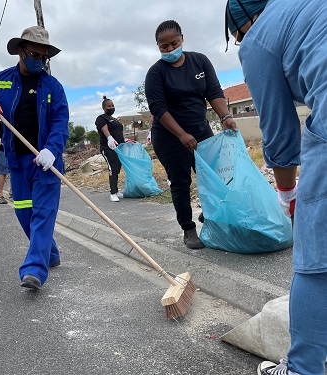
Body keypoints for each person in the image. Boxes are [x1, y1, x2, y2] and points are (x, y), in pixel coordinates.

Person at [225, 1, 327, 374]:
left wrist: (289, 197)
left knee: (317, 257)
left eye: (237, 39)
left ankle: (302, 368)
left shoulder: (258, 39)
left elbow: (281, 139)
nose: (241, 46)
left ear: (243, 25)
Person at [0, 25, 69, 290]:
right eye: (34, 55)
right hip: (17, 161)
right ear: (21, 52)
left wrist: (52, 149)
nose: (39, 61)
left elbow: (60, 122)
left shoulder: (53, 86)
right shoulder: (2, 80)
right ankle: (51, 253)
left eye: (43, 57)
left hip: (46, 161)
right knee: (25, 213)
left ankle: (34, 269)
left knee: (43, 214)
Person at [144, 19, 237, 250]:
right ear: (158, 47)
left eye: (173, 43)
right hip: (169, 136)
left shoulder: (200, 61)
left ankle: (211, 213)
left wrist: (225, 116)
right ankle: (188, 229)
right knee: (181, 181)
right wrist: (181, 134)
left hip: (201, 129)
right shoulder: (156, 73)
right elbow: (158, 108)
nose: (169, 49)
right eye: (163, 47)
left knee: (215, 175)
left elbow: (213, 92)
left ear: (182, 38)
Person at [95, 96, 125, 202]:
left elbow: (119, 133)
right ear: (104, 108)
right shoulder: (101, 118)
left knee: (117, 169)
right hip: (108, 148)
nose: (111, 107)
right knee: (112, 169)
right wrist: (109, 138)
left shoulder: (114, 119)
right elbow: (105, 129)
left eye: (113, 105)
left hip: (119, 148)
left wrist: (126, 141)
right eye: (109, 106)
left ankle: (116, 190)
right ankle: (112, 193)